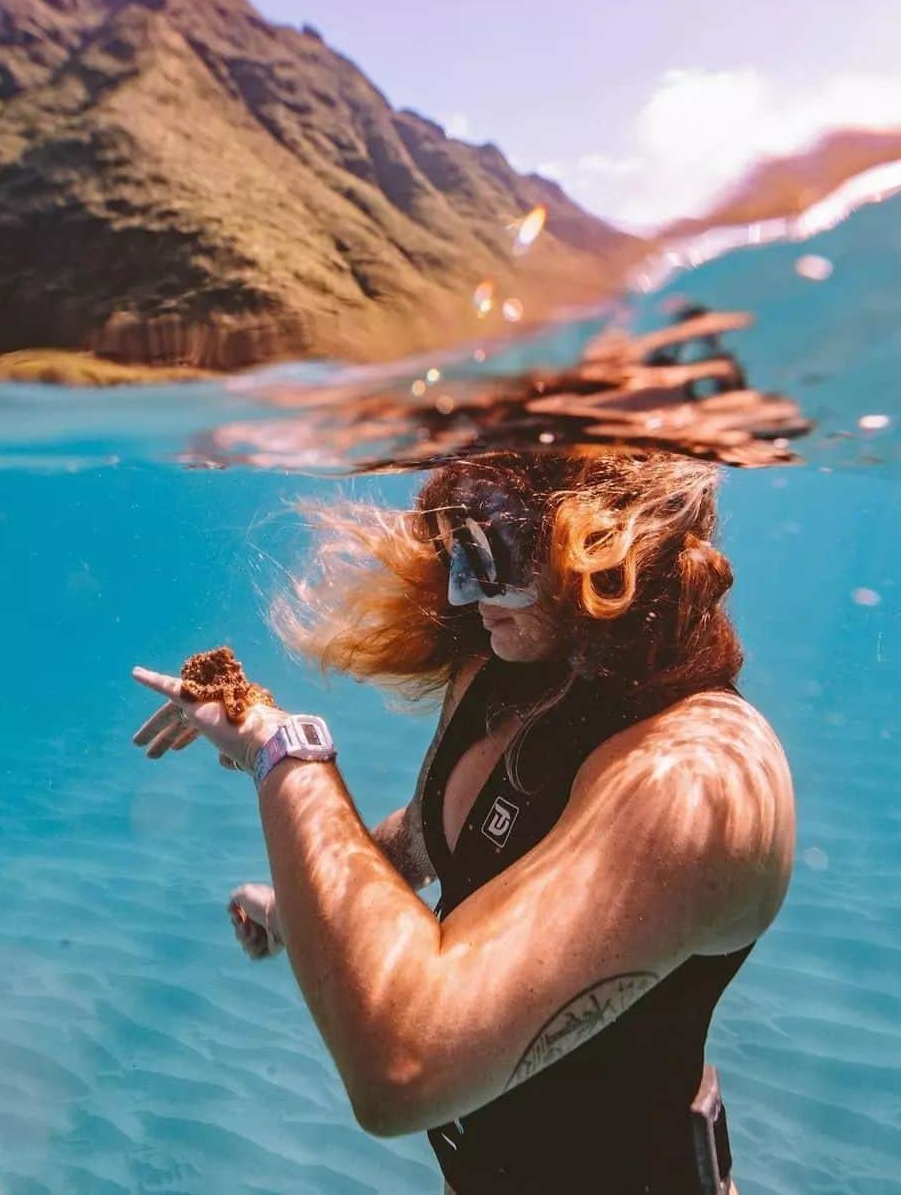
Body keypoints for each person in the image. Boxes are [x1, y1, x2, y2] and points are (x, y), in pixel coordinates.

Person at [132, 448, 795, 1194]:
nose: (458, 590)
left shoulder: (696, 779)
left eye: (489, 549)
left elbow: (402, 1065)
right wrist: (305, 908)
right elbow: (431, 836)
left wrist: (282, 748)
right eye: (453, 547)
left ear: (602, 539)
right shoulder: (506, 671)